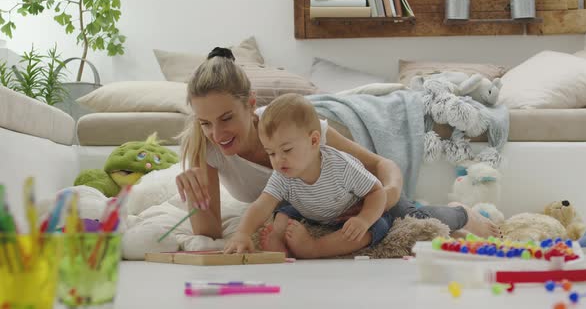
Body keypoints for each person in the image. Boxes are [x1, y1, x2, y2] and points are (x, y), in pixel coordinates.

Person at [175, 47, 499, 249]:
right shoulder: (207, 147)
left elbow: (380, 167)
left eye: (226, 118)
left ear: (251, 105)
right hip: (310, 205)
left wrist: (388, 194)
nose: (216, 133)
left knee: (402, 215)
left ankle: (462, 215)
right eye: (205, 122)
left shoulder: (297, 134)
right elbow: (210, 231)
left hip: (343, 180)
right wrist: (196, 196)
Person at [223, 93, 392, 258]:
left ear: (313, 141)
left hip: (348, 212)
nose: (278, 160)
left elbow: (377, 192)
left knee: (373, 228)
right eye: (271, 153)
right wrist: (242, 233)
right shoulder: (282, 175)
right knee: (283, 212)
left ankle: (315, 248)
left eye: (287, 150)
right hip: (310, 210)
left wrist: (363, 219)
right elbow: (261, 205)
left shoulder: (341, 166)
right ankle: (278, 239)